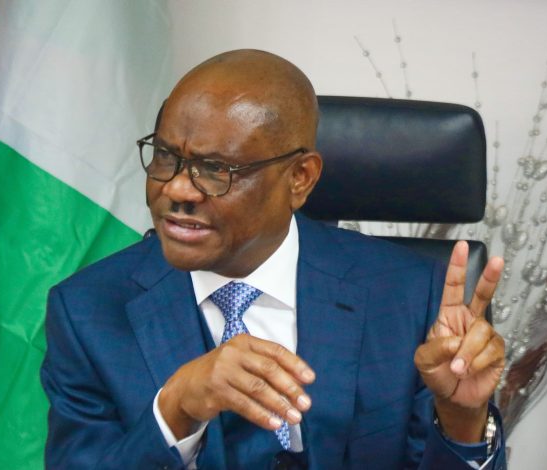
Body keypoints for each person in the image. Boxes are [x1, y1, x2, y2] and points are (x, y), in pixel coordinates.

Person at [41, 49, 507, 469]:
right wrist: (175, 408)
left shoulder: (407, 295)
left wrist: (462, 418)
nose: (177, 189)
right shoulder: (88, 311)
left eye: (215, 169)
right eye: (165, 157)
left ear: (300, 178)